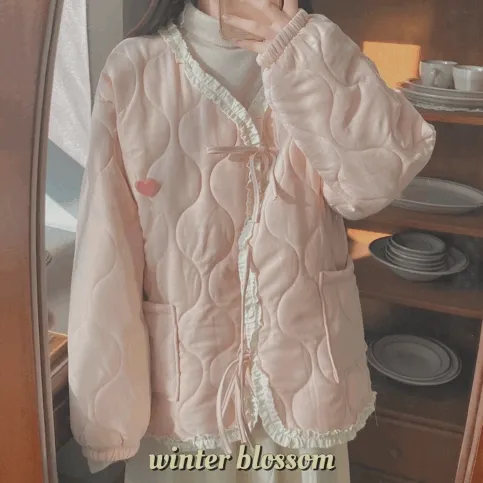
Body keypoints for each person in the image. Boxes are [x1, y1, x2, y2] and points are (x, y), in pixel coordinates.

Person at [67, 1, 436, 482]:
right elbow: (105, 252)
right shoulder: (135, 68)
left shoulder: (318, 51)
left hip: (307, 386)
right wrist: (106, 418)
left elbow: (376, 181)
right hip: (187, 394)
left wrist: (296, 46)